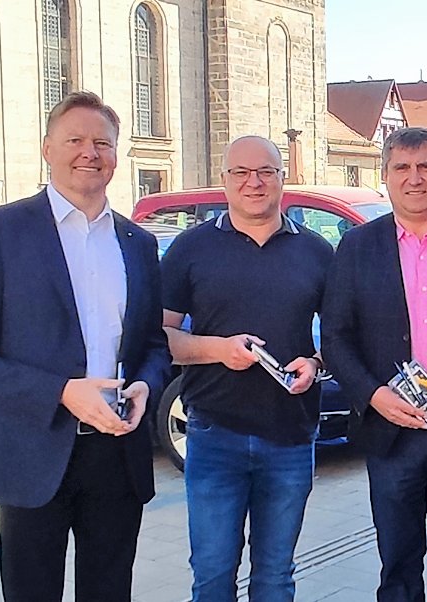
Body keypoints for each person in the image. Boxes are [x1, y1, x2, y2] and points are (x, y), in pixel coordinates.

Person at [0, 91, 171, 602]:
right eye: (75, 140)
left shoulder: (139, 243)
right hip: (30, 453)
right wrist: (63, 392)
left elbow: (154, 345)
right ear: (48, 149)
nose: (89, 152)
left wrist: (144, 387)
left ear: (117, 154)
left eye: (102, 143)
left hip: (117, 454)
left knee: (110, 591)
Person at [322, 126, 427, 602]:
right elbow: (336, 338)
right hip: (391, 430)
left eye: (425, 166)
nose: (414, 178)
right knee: (398, 563)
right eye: (402, 167)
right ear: (385, 177)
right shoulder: (357, 248)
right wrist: (374, 396)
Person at [160, 135, 333, 602]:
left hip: (291, 436)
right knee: (213, 576)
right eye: (241, 172)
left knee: (276, 577)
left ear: (283, 179)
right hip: (215, 434)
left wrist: (316, 364)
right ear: (224, 181)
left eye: (266, 172)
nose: (253, 182)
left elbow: (340, 339)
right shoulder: (190, 249)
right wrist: (219, 349)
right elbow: (160, 340)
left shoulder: (317, 252)